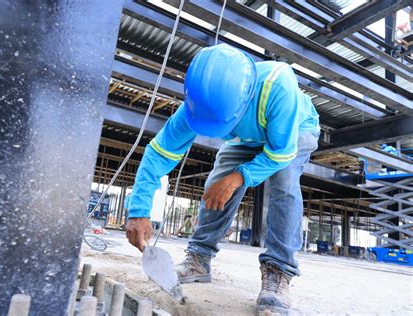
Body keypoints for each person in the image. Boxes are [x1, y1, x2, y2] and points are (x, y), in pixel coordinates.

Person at [125, 44, 320, 314]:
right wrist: (138, 210)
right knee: (216, 182)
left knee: (284, 183)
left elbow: (281, 154)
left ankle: (278, 270)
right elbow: (157, 154)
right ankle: (199, 258)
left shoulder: (278, 86)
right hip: (247, 136)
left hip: (294, 131)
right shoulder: (200, 104)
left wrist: (238, 177)